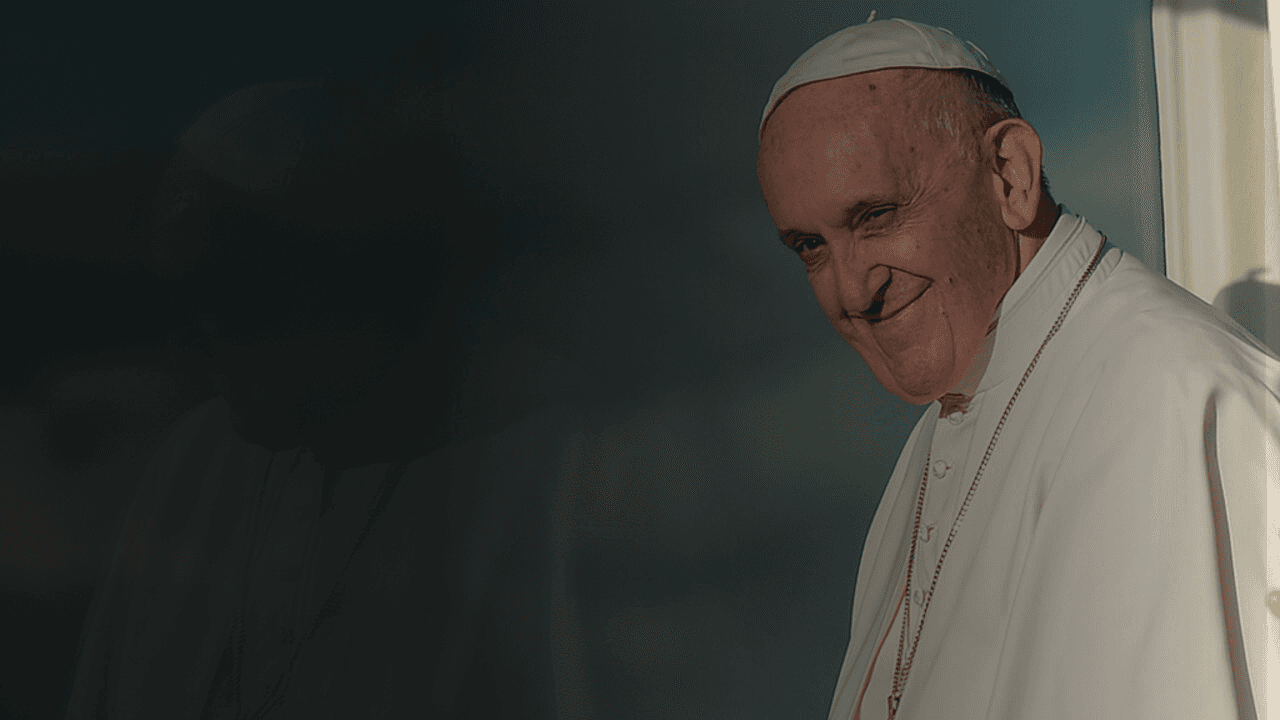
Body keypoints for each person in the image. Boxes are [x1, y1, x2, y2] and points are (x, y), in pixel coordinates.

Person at [756, 17, 1278, 719]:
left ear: (1010, 175)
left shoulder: (1167, 394)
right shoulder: (948, 424)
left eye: (876, 215)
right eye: (810, 247)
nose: (852, 290)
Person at [64, 78, 582, 719]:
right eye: (179, 297)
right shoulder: (196, 459)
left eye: (225, 294)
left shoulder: (540, 471)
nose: (191, 339)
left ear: (345, 279)